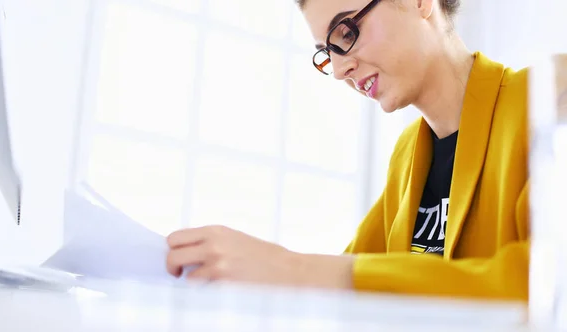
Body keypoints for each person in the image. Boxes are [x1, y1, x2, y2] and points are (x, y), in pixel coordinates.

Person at [165, 0, 530, 302]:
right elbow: (353, 280)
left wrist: (293, 269)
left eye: (346, 33)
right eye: (327, 52)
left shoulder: (543, 104)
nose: (339, 69)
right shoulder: (407, 155)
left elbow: (544, 285)